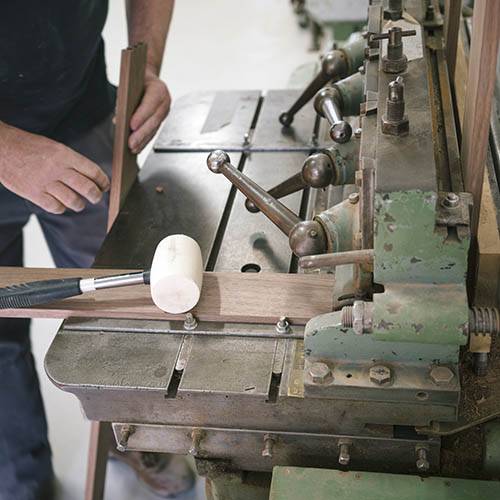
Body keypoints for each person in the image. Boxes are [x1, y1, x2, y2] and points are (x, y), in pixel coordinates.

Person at [0, 2, 193, 498]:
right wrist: (6, 150)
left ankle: (126, 432)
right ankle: (21, 476)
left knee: (119, 300)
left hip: (81, 112)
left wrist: (147, 64)